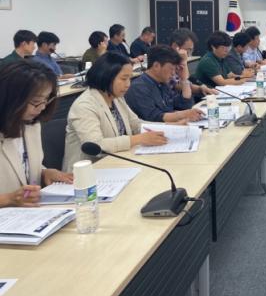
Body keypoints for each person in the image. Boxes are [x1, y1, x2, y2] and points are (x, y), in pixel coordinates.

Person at [62, 52, 167, 172]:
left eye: (129, 78)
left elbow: (136, 124)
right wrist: (138, 139)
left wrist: (168, 127)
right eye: (123, 79)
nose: (128, 84)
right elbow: (96, 145)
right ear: (106, 76)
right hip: (87, 173)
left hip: (117, 164)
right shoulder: (84, 106)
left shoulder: (116, 97)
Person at [0, 61, 73, 207]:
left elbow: (22, 166)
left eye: (46, 100)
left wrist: (44, 172)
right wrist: (8, 199)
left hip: (30, 214)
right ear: (10, 98)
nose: (42, 107)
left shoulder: (30, 125)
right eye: (36, 101)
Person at [125, 45, 203, 124]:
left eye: (175, 69)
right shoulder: (138, 88)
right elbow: (154, 118)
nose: (173, 73)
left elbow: (184, 106)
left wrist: (184, 79)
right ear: (156, 66)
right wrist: (183, 115)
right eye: (171, 69)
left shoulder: (162, 83)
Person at [168, 28, 217, 96]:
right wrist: (184, 62)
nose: (189, 54)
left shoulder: (177, 61)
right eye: (188, 49)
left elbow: (187, 84)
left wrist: (200, 88)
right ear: (175, 46)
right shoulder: (166, 62)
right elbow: (179, 86)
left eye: (191, 50)